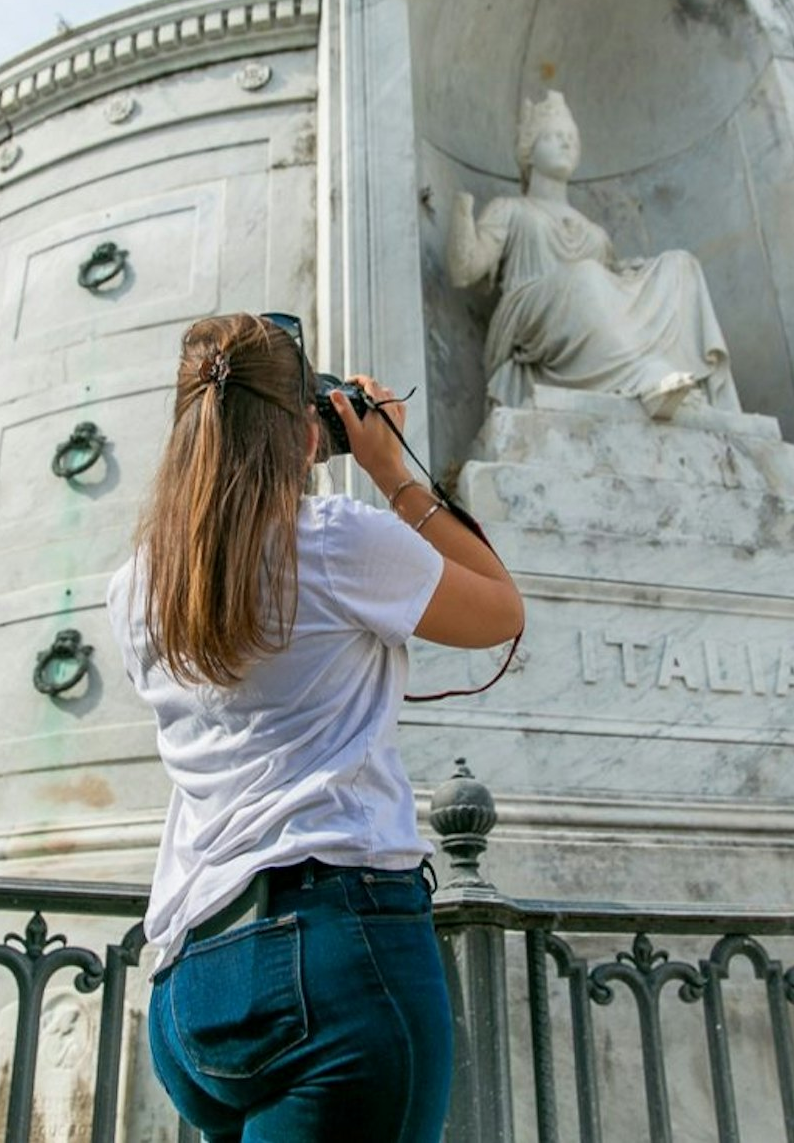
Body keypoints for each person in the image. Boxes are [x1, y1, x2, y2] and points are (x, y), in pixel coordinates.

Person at [107, 312, 524, 1142]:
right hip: (333, 957)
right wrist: (388, 467)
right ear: (303, 431)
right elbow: (500, 611)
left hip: (193, 978)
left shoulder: (135, 587)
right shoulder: (337, 543)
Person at [447, 90, 741, 418]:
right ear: (529, 150)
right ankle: (645, 376)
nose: (566, 143)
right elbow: (465, 270)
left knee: (680, 265)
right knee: (586, 276)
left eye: (571, 138)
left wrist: (629, 274)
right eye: (555, 136)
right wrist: (461, 213)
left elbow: (609, 302)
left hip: (584, 303)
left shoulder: (595, 233)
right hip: (529, 313)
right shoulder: (512, 209)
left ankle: (691, 389)